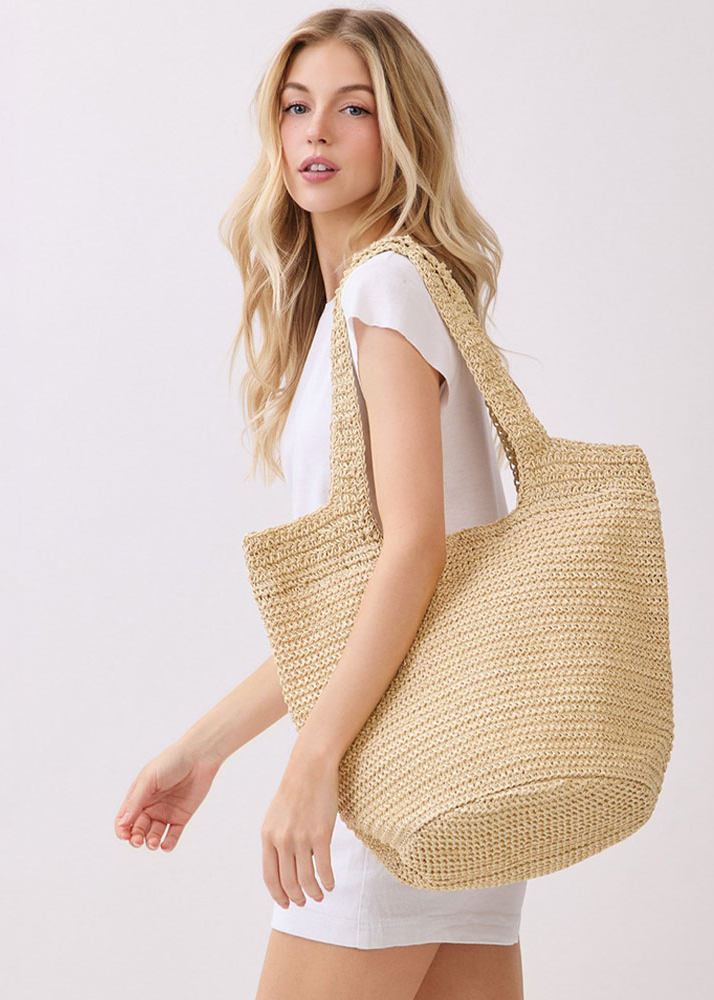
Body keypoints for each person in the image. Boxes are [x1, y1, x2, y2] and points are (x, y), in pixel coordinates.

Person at [114, 9, 527, 999]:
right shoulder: (383, 299)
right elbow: (364, 600)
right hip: (464, 770)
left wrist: (314, 760)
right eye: (298, 107)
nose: (317, 133)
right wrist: (203, 748)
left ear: (403, 131)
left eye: (354, 109)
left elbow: (415, 550)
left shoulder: (386, 290)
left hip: (385, 780)